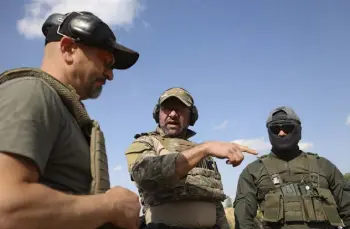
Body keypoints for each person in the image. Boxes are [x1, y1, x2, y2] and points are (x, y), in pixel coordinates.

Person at [0, 11, 142, 229]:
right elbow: (6, 208)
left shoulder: (64, 110)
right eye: (105, 61)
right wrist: (110, 206)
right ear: (67, 49)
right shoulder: (32, 93)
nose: (110, 75)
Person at [124, 87, 258, 229]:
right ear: (158, 114)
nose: (173, 114)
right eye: (167, 109)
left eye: (180, 109)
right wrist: (205, 148)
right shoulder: (146, 142)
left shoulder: (204, 152)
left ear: (191, 116)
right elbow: (144, 174)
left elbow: (214, 197)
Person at [233, 106, 350, 229]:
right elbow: (243, 221)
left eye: (287, 127)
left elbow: (347, 209)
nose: (281, 133)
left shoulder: (324, 166)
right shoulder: (253, 172)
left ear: (298, 130)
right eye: (275, 129)